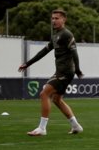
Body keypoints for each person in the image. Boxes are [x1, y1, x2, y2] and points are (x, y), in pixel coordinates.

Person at [18, 8, 83, 136]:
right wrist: (28, 63)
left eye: (57, 18)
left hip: (65, 71)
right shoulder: (55, 35)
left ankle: (42, 128)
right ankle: (76, 126)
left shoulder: (66, 34)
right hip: (61, 71)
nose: (54, 21)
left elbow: (75, 52)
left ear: (64, 19)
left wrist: (78, 70)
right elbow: (44, 51)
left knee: (44, 94)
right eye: (52, 18)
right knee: (57, 99)